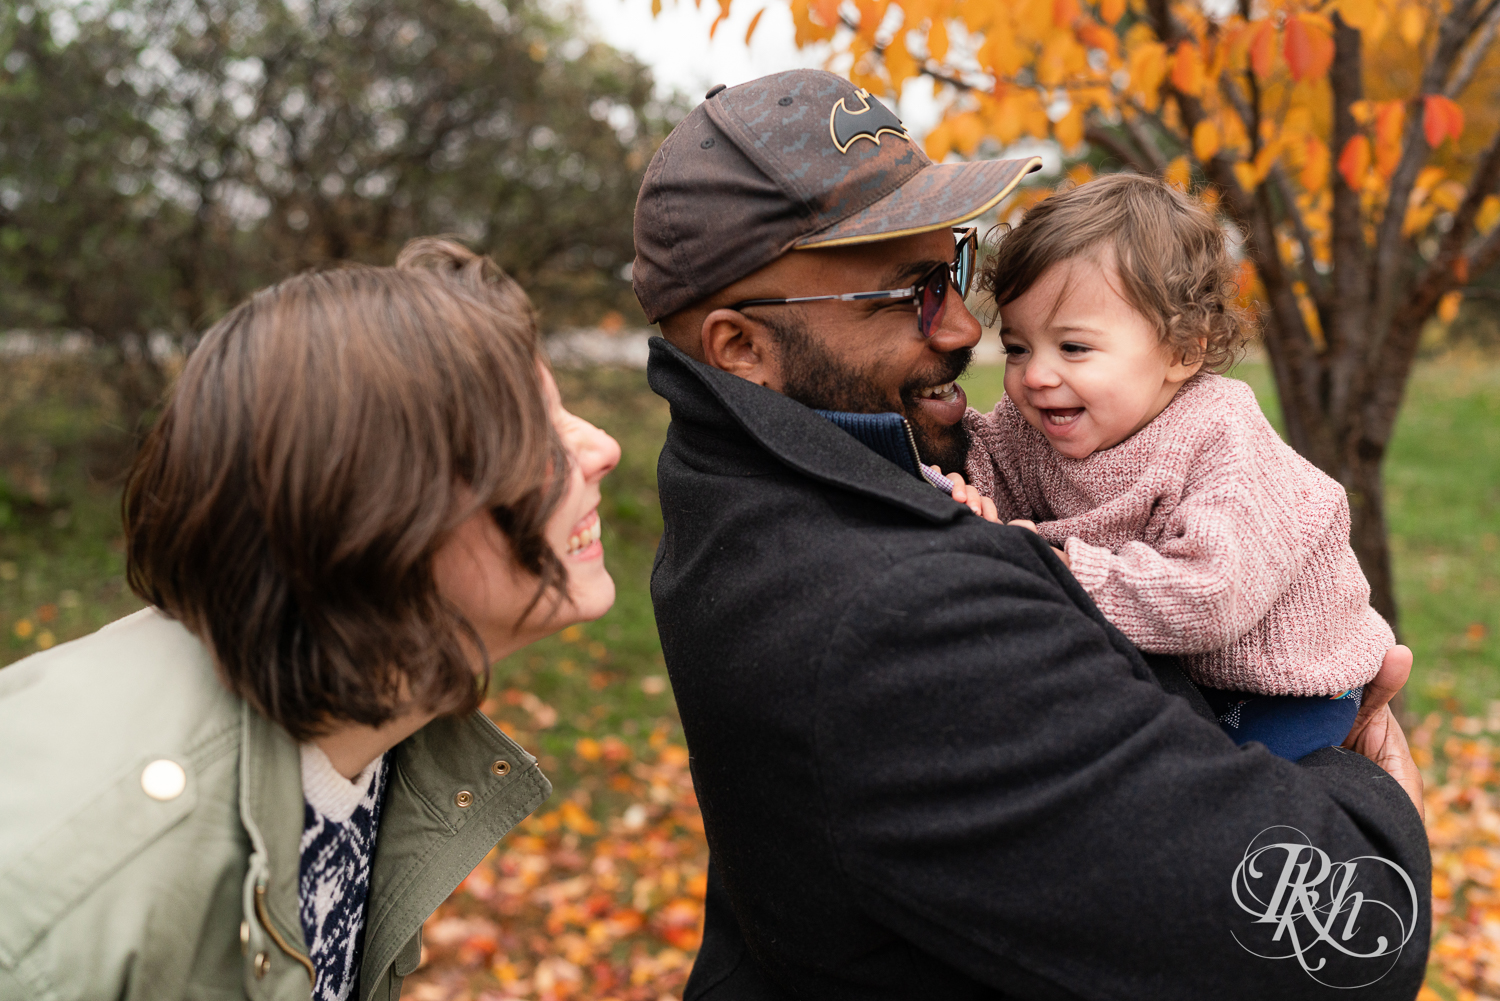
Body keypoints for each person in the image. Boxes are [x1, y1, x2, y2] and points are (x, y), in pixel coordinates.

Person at [633, 69, 1430, 999]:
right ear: (740, 349)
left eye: (957, 268)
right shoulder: (900, 614)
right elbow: (1342, 944)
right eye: (911, 291)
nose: (966, 327)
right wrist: (1381, 799)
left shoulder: (748, 496)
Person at [0, 238, 621, 1001]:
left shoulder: (372, 738)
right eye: (532, 432)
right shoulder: (72, 898)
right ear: (377, 504)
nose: (603, 447)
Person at [957, 173, 1394, 762]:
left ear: (1182, 352)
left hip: (1282, 683)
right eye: (1017, 347)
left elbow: (1211, 596)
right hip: (1172, 667)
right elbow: (989, 465)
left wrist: (1056, 570)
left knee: (1219, 806)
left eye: (1074, 347)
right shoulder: (1034, 418)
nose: (1035, 375)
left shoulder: (1219, 436)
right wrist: (966, 497)